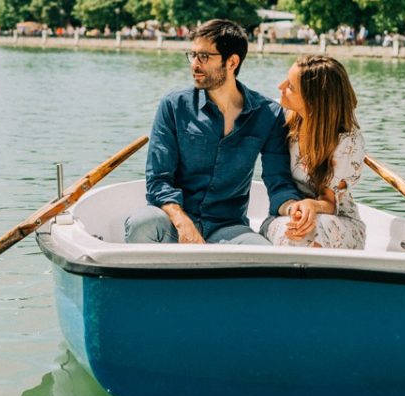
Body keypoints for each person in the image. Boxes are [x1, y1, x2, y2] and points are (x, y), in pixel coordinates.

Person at [123, 18, 298, 245]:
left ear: (232, 62)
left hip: (229, 227)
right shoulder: (174, 105)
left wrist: (294, 207)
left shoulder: (268, 114)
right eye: (192, 55)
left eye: (204, 57)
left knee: (261, 250)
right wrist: (182, 221)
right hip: (174, 221)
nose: (194, 64)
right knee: (142, 223)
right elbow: (158, 180)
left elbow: (278, 181)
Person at [258, 53, 366, 249]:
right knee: (291, 232)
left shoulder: (346, 142)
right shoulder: (284, 118)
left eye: (290, 86)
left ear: (312, 100)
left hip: (337, 221)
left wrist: (310, 206)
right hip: (287, 214)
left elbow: (330, 203)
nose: (280, 87)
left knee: (311, 232)